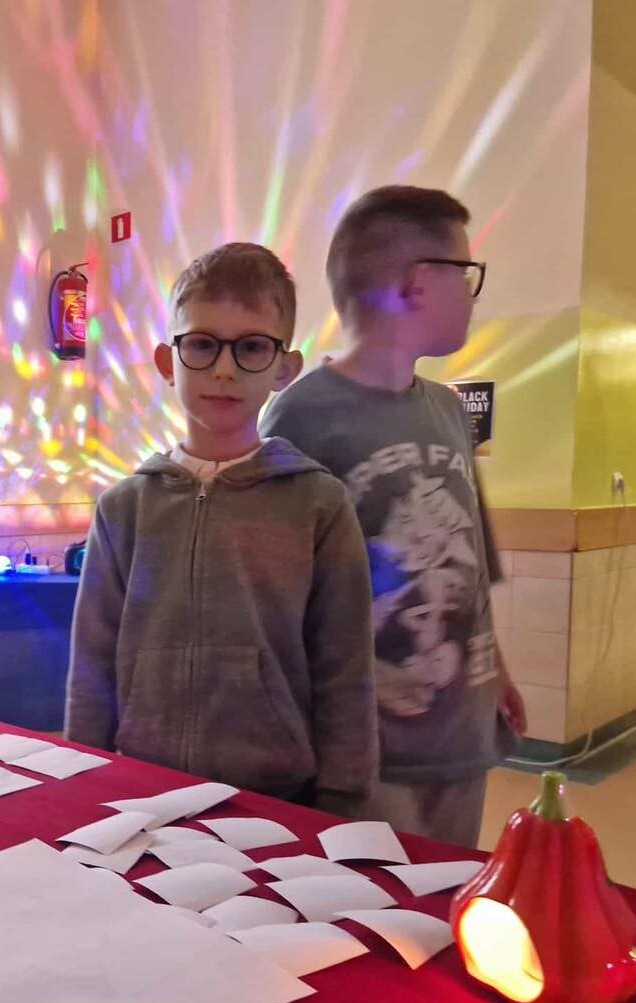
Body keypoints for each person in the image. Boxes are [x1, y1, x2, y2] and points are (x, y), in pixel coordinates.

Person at [66, 243, 377, 812]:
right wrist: (87, 778)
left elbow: (345, 671)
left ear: (284, 369)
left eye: (252, 346)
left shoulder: (319, 504)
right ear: (168, 363)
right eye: (203, 344)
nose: (225, 369)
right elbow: (92, 663)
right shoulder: (124, 507)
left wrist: (341, 801)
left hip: (278, 796)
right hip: (140, 789)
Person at [260, 185, 526, 847]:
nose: (472, 293)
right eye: (466, 272)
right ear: (417, 283)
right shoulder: (300, 417)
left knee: (446, 893)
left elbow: (473, 558)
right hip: (367, 754)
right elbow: (278, 605)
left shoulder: (447, 409)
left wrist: (496, 671)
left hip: (460, 737)